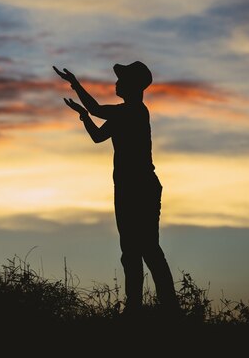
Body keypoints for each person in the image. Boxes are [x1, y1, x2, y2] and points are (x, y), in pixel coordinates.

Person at [53, 62, 179, 315]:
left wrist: (76, 85)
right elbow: (98, 136)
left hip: (140, 188)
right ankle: (135, 308)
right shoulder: (123, 114)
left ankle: (169, 308)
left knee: (148, 249)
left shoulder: (133, 112)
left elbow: (97, 108)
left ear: (133, 86)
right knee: (131, 251)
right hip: (126, 188)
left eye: (122, 80)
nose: (116, 83)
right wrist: (84, 117)